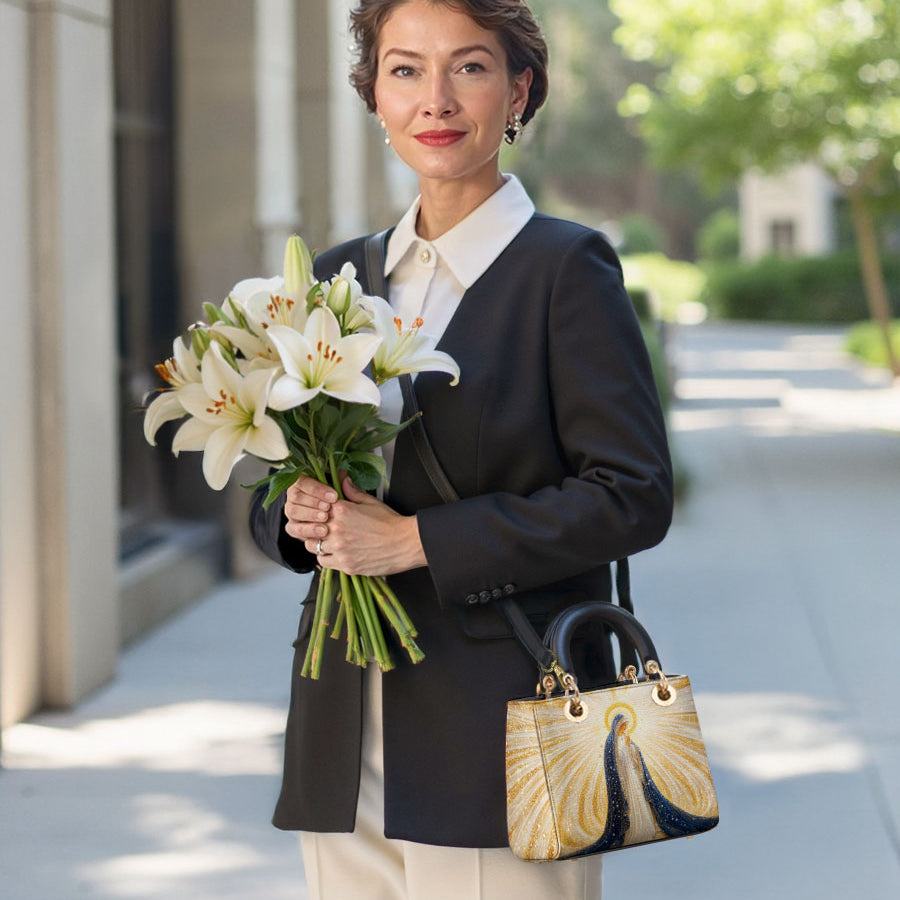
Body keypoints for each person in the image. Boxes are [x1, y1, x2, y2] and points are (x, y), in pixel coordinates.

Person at [249, 1, 673, 897]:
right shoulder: (336, 276)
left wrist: (416, 543)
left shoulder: (566, 269)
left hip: (502, 728)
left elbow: (631, 494)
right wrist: (298, 516)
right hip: (341, 725)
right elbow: (277, 477)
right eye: (405, 70)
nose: (435, 98)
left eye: (468, 67)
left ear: (519, 90)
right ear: (374, 97)